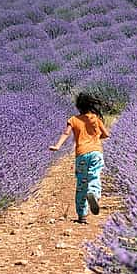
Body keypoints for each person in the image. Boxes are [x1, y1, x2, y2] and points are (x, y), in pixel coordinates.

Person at [49, 93, 110, 224]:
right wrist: (95, 137)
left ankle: (82, 215)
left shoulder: (73, 120)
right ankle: (93, 193)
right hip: (96, 153)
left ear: (78, 107)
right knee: (94, 176)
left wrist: (57, 146)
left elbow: (66, 133)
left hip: (81, 154)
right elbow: (106, 134)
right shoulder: (95, 119)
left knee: (82, 183)